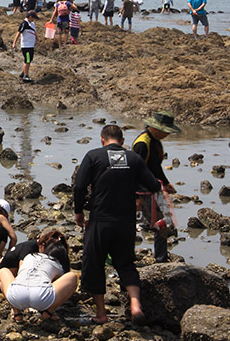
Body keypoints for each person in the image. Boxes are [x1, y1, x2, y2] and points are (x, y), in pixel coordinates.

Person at [73, 123, 161, 325]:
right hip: (126, 221)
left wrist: (78, 211)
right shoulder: (134, 158)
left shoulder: (94, 155)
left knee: (94, 263)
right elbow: (152, 185)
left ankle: (101, 314)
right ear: (122, 142)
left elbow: (79, 186)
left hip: (100, 220)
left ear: (102, 140)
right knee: (126, 262)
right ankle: (135, 305)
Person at [0, 228, 78, 323]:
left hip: (17, 294)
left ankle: (17, 313)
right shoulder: (57, 265)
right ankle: (49, 312)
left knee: (3, 270)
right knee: (72, 277)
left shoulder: (29, 256)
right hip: (40, 297)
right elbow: (61, 283)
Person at [131, 112, 181, 262]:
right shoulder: (142, 144)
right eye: (165, 131)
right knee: (155, 223)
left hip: (152, 188)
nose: (167, 134)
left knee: (161, 223)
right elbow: (134, 171)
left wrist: (165, 182)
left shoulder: (156, 141)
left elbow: (155, 167)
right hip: (140, 191)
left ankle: (161, 258)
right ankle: (127, 257)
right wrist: (136, 197)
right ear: (156, 128)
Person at [17, 10, 38, 83]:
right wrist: (14, 43)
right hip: (26, 46)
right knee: (27, 60)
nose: (34, 19)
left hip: (31, 45)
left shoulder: (32, 24)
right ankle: (26, 76)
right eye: (33, 18)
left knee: (29, 59)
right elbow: (18, 32)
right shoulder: (24, 23)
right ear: (30, 17)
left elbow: (34, 32)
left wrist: (37, 40)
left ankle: (23, 73)